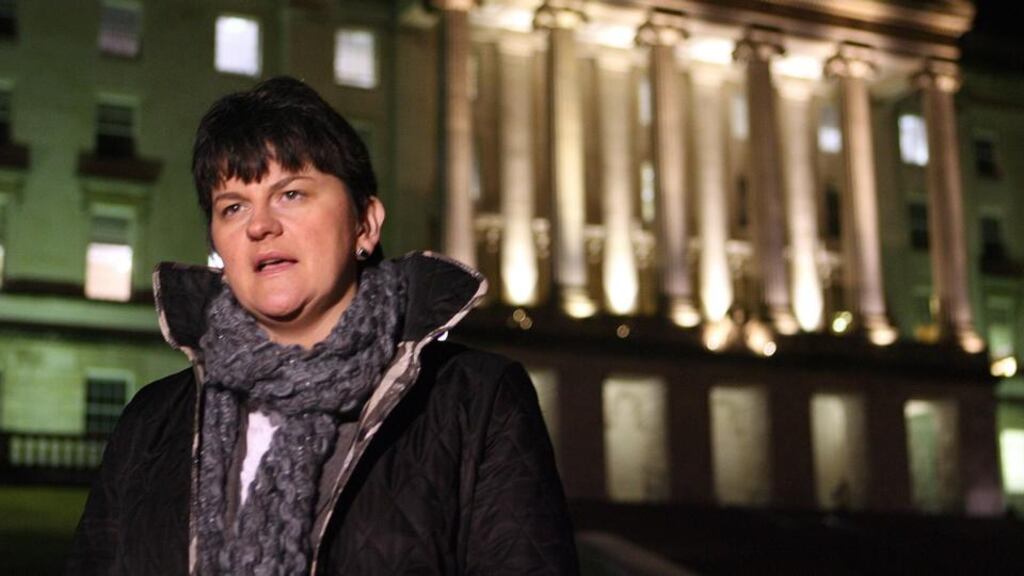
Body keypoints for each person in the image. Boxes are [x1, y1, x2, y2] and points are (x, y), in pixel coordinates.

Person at [66, 76, 578, 575]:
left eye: (292, 194)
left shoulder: (477, 403)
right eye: (234, 206)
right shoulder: (150, 422)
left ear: (365, 224)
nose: (260, 225)